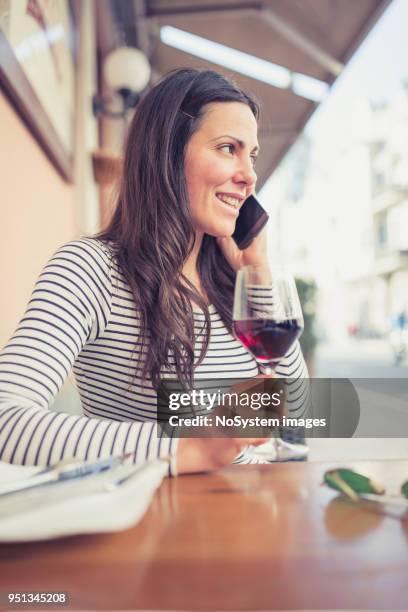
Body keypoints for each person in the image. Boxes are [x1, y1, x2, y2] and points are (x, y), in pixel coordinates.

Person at [0, 69, 308, 475]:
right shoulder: (91, 270)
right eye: (226, 148)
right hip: (152, 527)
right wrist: (191, 447)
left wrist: (257, 273)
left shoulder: (233, 282)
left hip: (247, 514)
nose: (249, 175)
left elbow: (296, 420)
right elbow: (6, 420)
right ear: (167, 153)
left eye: (250, 154)